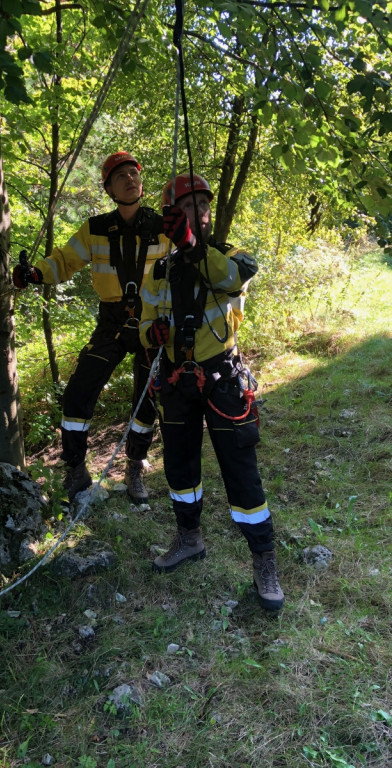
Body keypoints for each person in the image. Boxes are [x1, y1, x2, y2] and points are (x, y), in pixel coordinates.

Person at [139, 173, 284, 611]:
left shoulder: (231, 256)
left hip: (221, 377)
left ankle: (264, 560)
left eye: (201, 205)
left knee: (240, 469)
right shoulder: (158, 270)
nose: (196, 213)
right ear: (170, 213)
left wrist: (191, 243)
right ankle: (189, 537)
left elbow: (229, 278)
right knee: (180, 466)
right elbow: (145, 324)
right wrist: (153, 333)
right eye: (185, 207)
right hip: (176, 381)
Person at [13, 152, 172, 503]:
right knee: (78, 392)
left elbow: (191, 257)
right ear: (109, 188)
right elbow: (64, 261)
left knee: (146, 398)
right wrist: (36, 273)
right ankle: (76, 469)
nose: (130, 179)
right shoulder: (96, 229)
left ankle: (134, 466)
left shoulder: (164, 227)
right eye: (121, 177)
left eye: (134, 174)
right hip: (112, 322)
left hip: (152, 321)